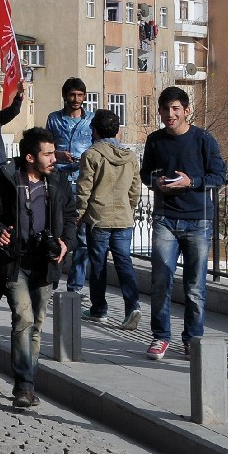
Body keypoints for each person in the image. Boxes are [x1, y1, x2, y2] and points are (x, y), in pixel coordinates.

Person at [0, 127, 76, 409]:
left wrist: (66, 242)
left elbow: (70, 216)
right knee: (23, 318)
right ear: (30, 157)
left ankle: (28, 382)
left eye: (53, 152)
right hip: (13, 261)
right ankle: (23, 385)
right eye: (48, 154)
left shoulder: (58, 182)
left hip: (46, 262)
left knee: (37, 325)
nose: (54, 158)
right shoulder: (4, 179)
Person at [140, 87, 225, 360]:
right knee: (160, 279)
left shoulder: (204, 140)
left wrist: (193, 182)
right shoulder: (155, 140)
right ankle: (161, 337)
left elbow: (219, 175)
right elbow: (146, 175)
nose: (170, 114)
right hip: (165, 218)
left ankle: (192, 339)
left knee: (194, 285)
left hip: (198, 220)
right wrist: (157, 183)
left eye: (175, 109)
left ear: (187, 110)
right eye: (165, 109)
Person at [76, 110, 142, 329]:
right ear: (117, 131)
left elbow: (84, 188)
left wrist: (79, 213)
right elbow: (135, 190)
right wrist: (128, 209)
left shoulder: (92, 155)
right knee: (124, 263)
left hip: (98, 217)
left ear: (94, 130)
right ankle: (132, 307)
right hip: (123, 217)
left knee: (98, 264)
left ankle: (99, 309)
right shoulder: (130, 156)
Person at [46, 78, 95, 294]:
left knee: (83, 237)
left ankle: (75, 286)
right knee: (57, 230)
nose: (76, 99)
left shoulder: (92, 120)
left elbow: (98, 147)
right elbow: (46, 147)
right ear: (65, 96)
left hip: (84, 181)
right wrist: (57, 154)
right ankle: (52, 278)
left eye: (80, 95)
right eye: (72, 95)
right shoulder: (54, 119)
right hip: (60, 180)